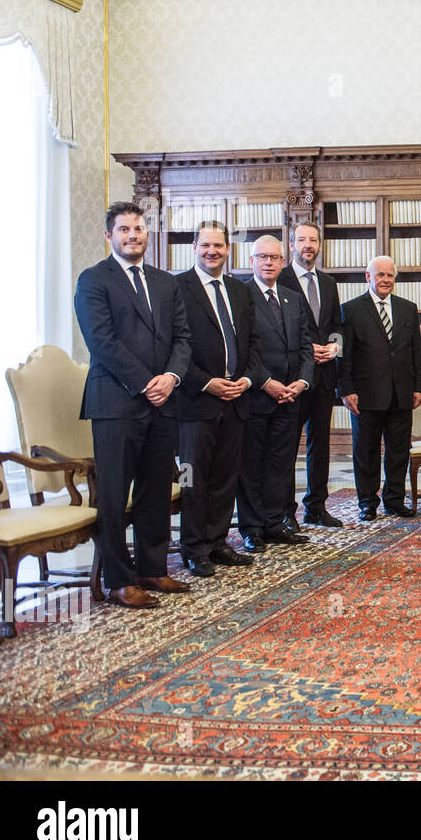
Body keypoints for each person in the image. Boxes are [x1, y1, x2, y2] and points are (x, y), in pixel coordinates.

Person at [73, 202, 192, 608]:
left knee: (156, 490)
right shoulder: (93, 281)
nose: (132, 236)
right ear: (109, 236)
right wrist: (145, 383)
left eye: (138, 229)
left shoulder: (166, 282)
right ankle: (119, 580)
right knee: (113, 493)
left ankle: (153, 569)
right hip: (116, 403)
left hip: (164, 403)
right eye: (123, 230)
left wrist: (171, 378)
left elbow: (183, 339)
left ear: (146, 232)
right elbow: (101, 342)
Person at [175, 221, 262, 577]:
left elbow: (253, 345)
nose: (213, 251)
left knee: (227, 476)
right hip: (195, 403)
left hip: (236, 400)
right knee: (192, 478)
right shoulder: (177, 288)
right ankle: (193, 548)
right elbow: (175, 347)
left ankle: (217, 541)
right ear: (194, 246)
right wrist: (205, 382)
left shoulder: (240, 292)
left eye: (219, 246)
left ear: (229, 249)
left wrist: (247, 379)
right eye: (206, 245)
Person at [238, 235, 314, 552]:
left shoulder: (292, 299)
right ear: (252, 260)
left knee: (281, 465)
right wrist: (266, 381)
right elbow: (242, 348)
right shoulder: (241, 295)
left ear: (283, 261)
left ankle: (274, 523)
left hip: (290, 397)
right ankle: (252, 528)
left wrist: (302, 382)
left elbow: (307, 347)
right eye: (262, 257)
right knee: (252, 466)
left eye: (274, 257)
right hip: (258, 396)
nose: (268, 262)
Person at [339, 255, 421, 521]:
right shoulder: (351, 310)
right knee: (365, 451)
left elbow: (416, 352)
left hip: (401, 393)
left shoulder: (407, 308)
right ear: (368, 277)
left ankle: (394, 500)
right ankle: (367, 502)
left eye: (390, 275)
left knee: (399, 451)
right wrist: (345, 389)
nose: (386, 280)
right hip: (365, 395)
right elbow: (344, 355)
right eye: (380, 275)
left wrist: (419, 386)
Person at [278, 221, 344, 529]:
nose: (308, 245)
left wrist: (334, 348)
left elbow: (338, 326)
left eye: (313, 240)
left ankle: (316, 507)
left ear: (319, 245)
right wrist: (309, 348)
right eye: (302, 239)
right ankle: (285, 512)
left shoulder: (329, 283)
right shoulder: (281, 277)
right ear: (291, 244)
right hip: (292, 376)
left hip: (325, 375)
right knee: (288, 446)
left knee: (321, 443)